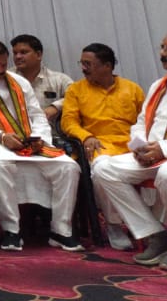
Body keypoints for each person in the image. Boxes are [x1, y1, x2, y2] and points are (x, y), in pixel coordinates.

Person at [0, 38, 81, 251]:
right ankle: (11, 230)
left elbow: (37, 115)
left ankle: (61, 230)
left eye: (3, 65)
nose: (0, 70)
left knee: (69, 167)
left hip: (29, 140)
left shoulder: (19, 82)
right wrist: (1, 137)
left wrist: (40, 139)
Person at [91, 32, 167, 272]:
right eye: (162, 47)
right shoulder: (159, 86)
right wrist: (140, 145)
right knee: (103, 167)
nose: (163, 53)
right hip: (154, 154)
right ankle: (154, 233)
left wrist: (165, 148)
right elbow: (141, 122)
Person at [61, 42, 145, 250]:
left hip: (131, 145)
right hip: (99, 144)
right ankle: (114, 225)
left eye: (88, 64)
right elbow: (68, 122)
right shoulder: (76, 90)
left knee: (160, 167)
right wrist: (86, 136)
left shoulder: (132, 88)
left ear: (107, 66)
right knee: (100, 170)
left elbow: (146, 120)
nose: (83, 68)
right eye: (82, 63)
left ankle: (149, 224)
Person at [11, 34, 73, 126]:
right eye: (15, 53)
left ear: (38, 55)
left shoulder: (59, 79)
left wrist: (56, 107)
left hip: (50, 133)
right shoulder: (5, 78)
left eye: (23, 52)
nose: (18, 57)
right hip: (14, 133)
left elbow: (77, 97)